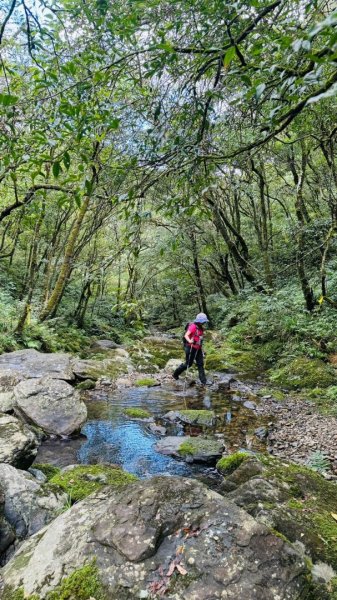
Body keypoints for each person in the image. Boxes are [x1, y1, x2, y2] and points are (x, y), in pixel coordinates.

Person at [173, 312, 209, 385]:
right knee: (188, 364)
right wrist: (190, 341)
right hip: (190, 347)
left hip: (198, 348)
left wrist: (202, 349)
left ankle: (204, 382)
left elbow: (199, 339)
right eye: (203, 321)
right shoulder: (193, 326)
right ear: (199, 321)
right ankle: (175, 374)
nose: (204, 322)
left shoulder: (201, 328)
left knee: (200, 364)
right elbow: (186, 335)